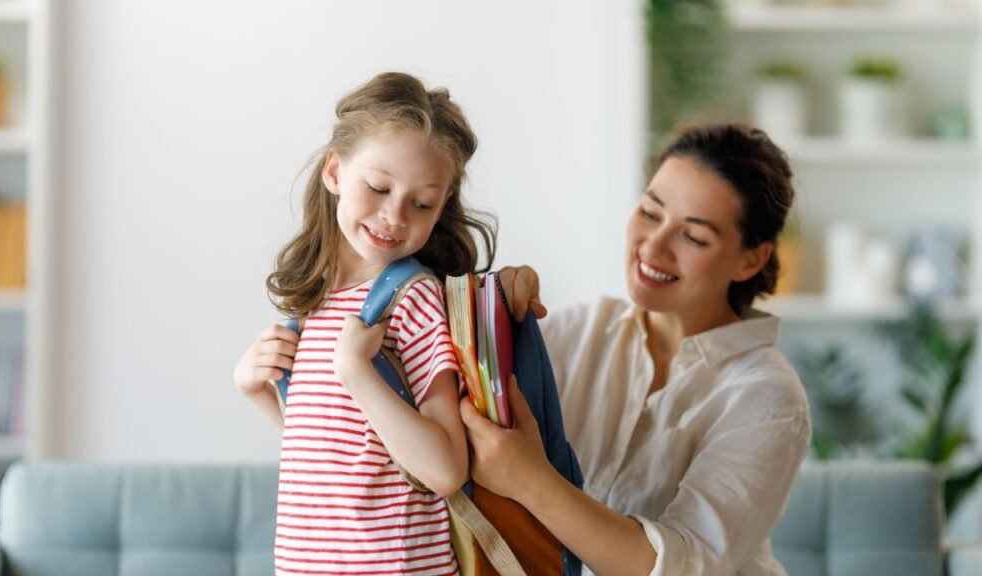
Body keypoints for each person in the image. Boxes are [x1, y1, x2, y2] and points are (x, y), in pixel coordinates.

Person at [469, 124, 812, 576]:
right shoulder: (576, 332)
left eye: (694, 237)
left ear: (752, 260)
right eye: (650, 213)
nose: (654, 245)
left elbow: (685, 566)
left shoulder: (768, 398)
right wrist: (492, 311)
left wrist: (532, 481)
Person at [233, 72, 495, 576]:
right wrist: (255, 390)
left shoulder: (412, 300)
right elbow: (334, 453)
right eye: (378, 187)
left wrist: (357, 371)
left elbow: (445, 470)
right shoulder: (313, 305)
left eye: (422, 203)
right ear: (335, 171)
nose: (395, 215)